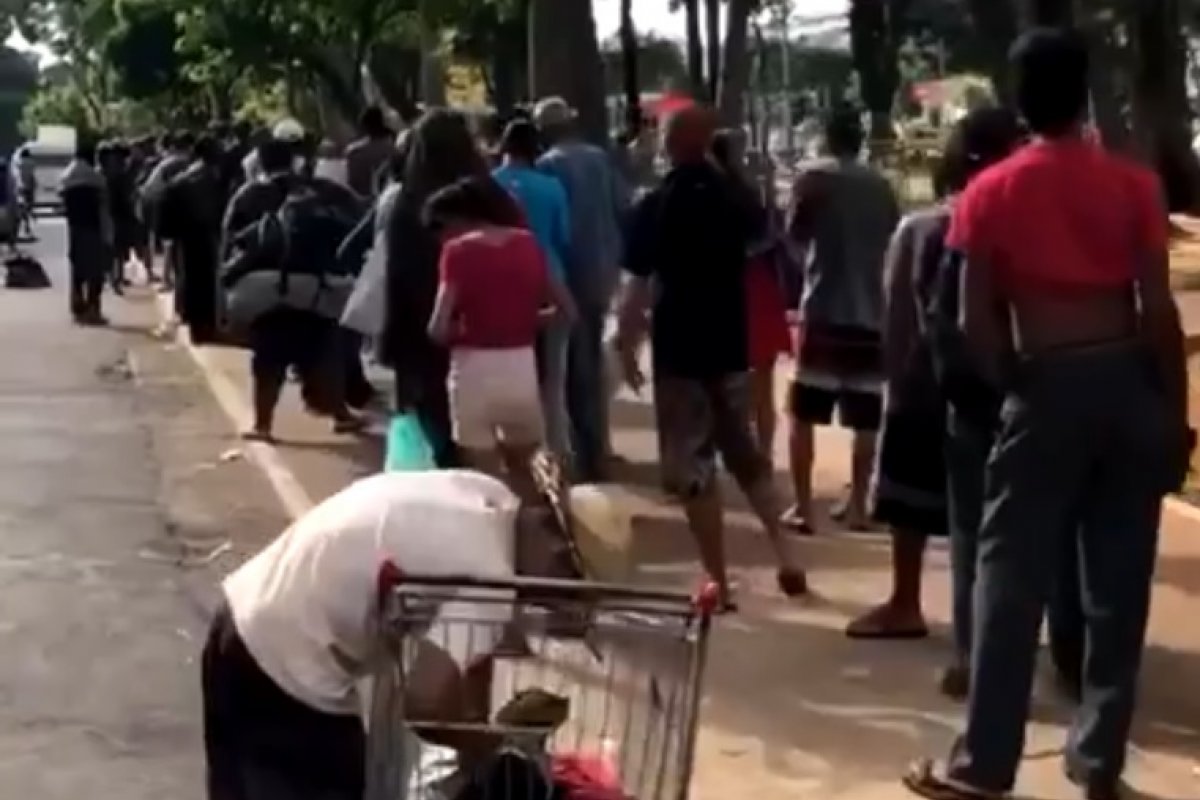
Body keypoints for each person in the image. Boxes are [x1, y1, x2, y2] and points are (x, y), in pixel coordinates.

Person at [903, 29, 1191, 800]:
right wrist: (1173, 412)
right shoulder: (1132, 183)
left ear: (1019, 99)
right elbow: (1158, 308)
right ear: (1084, 92)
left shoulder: (990, 191)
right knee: (1118, 587)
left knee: (1008, 577)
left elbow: (974, 318)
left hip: (1046, 382)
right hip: (1128, 380)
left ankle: (985, 764)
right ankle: (1098, 763)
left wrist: (1012, 388)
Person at [202, 468, 621, 800]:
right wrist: (490, 745)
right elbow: (424, 705)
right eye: (570, 591)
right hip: (287, 674)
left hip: (240, 615)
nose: (553, 603)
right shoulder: (490, 580)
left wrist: (474, 735)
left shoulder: (488, 496)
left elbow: (469, 659)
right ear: (559, 555)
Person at [842, 110, 1023, 643]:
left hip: (924, 385)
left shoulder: (921, 228)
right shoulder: (1019, 226)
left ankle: (907, 602)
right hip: (1000, 385)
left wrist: (895, 380)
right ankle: (998, 619)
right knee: (995, 515)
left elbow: (898, 312)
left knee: (911, 505)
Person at [617, 104, 806, 612]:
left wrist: (626, 343)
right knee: (744, 453)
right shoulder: (735, 198)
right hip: (729, 343)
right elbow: (763, 242)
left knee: (693, 466)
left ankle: (718, 580)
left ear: (669, 144)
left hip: (679, 347)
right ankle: (786, 554)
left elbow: (635, 286)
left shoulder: (655, 203)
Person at [783, 106, 900, 534]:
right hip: (871, 312)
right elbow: (892, 238)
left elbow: (794, 235)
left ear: (829, 138)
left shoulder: (813, 178)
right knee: (865, 417)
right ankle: (857, 507)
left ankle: (802, 507)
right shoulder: (881, 186)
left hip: (824, 308)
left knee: (803, 413)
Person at [383, 109, 521, 469]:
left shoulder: (408, 202)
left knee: (435, 429)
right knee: (492, 439)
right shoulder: (491, 196)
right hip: (488, 327)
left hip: (425, 334)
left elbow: (398, 277)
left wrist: (393, 342)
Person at [426, 176, 577, 498]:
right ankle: (539, 525)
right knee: (529, 475)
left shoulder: (457, 252)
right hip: (521, 368)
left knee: (483, 483)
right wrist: (525, 321)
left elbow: (437, 328)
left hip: (471, 373)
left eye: (440, 227)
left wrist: (468, 328)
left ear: (457, 217)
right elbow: (568, 311)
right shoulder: (528, 244)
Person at [222, 136, 366, 441]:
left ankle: (262, 425)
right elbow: (355, 223)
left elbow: (231, 241)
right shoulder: (322, 190)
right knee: (325, 350)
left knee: (268, 358)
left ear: (259, 162)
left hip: (268, 291)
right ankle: (340, 414)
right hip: (319, 286)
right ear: (294, 161)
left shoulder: (248, 195)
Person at [534, 96, 630, 482]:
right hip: (603, 271)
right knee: (592, 359)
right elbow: (624, 206)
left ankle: (585, 452)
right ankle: (600, 445)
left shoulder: (548, 165)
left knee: (574, 367)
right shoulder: (599, 159)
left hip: (569, 275)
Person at [493, 120, 575, 464]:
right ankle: (557, 451)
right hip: (548, 279)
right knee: (553, 376)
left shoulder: (488, 185)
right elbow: (563, 237)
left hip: (501, 283)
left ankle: (510, 450)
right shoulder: (551, 187)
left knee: (505, 368)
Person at [711, 129, 793, 465]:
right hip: (758, 289)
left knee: (732, 383)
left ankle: (742, 452)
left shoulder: (712, 193)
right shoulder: (746, 195)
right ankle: (763, 453)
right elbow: (772, 238)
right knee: (761, 383)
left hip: (726, 290)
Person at [160, 135, 227, 345]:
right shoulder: (213, 177)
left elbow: (168, 201)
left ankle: (195, 324)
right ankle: (206, 327)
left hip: (186, 236)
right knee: (207, 282)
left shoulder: (183, 178)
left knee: (189, 278)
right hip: (206, 235)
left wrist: (169, 232)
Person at [60, 137, 113, 326]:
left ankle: (77, 305)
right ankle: (93, 308)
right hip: (93, 228)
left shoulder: (66, 176)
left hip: (75, 228)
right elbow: (103, 208)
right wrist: (108, 234)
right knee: (95, 271)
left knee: (77, 269)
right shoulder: (96, 178)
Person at [345, 105, 394, 198]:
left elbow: (352, 184)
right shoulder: (394, 150)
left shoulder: (355, 152)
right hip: (391, 199)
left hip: (365, 201)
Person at [12, 144, 36, 240]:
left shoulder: (19, 163)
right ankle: (27, 224)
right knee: (28, 206)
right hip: (30, 186)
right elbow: (32, 175)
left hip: (21, 187)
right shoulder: (32, 163)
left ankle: (24, 224)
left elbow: (16, 174)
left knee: (21, 207)